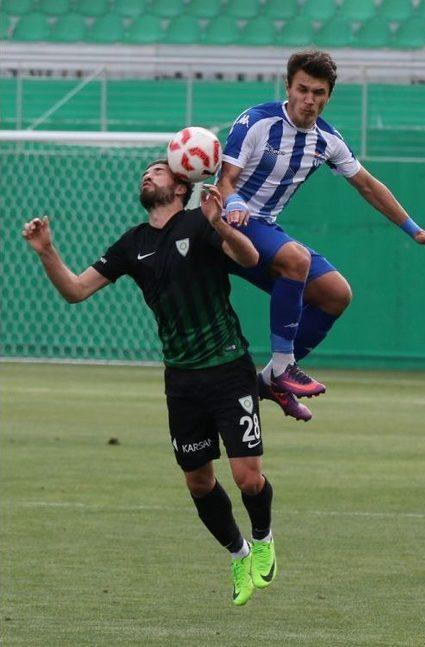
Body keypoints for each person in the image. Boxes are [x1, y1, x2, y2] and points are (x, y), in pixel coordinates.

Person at [22, 160, 277, 606]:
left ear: (181, 185)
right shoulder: (132, 243)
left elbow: (250, 257)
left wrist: (221, 223)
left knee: (247, 478)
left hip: (227, 367)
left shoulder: (201, 220)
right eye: (146, 172)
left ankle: (262, 539)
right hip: (180, 378)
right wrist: (47, 251)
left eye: (158, 171)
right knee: (198, 481)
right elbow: (76, 291)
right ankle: (238, 553)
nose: (148, 175)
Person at [217, 49, 425, 422]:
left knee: (336, 294)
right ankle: (285, 367)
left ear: (329, 95)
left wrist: (415, 231)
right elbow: (224, 181)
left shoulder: (327, 140)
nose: (309, 100)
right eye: (302, 89)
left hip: (263, 228)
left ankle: (270, 379)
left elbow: (367, 185)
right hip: (224, 224)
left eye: (319, 92)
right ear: (288, 86)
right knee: (296, 258)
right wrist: (233, 202)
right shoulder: (257, 121)